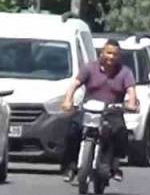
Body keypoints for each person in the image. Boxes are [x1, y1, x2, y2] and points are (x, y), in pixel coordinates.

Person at [59, 40, 138, 183]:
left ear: (119, 56)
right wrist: (67, 100)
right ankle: (70, 167)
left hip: (112, 112)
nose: (111, 57)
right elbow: (74, 85)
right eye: (108, 53)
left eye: (115, 54)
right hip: (89, 110)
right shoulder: (89, 68)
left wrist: (131, 103)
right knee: (72, 131)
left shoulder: (125, 72)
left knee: (121, 132)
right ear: (102, 53)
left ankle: (115, 165)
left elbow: (131, 90)